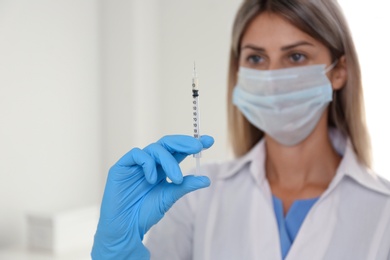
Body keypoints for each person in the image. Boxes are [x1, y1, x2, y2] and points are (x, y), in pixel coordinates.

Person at [91, 0, 390, 259]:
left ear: (338, 72)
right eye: (256, 59)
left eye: (296, 56)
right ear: (239, 72)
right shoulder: (197, 194)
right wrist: (117, 252)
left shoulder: (383, 211)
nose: (272, 79)